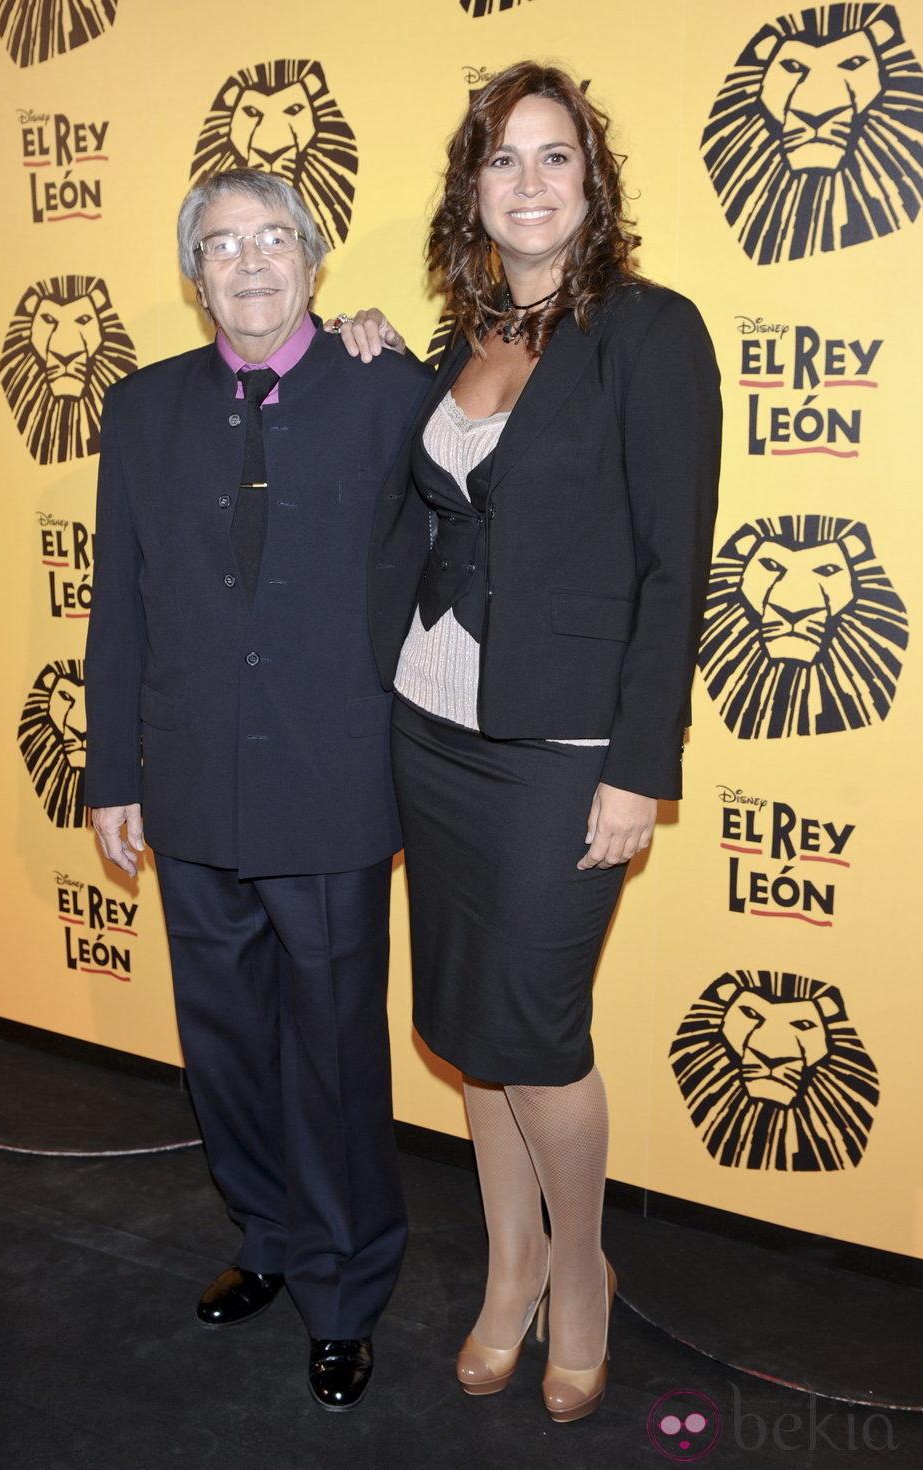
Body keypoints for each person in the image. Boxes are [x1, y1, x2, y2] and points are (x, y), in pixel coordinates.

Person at [362, 62, 722, 1423]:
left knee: (539, 1033)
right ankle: (507, 1266)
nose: (529, 182)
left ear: (592, 179)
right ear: (474, 187)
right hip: (430, 729)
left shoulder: (648, 332)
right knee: (468, 1030)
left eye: (554, 156)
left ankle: (582, 1270)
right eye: (503, 160)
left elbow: (669, 569)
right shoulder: (461, 341)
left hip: (565, 746)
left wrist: (640, 764)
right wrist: (367, 353)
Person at [84, 167, 430, 1412]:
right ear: (194, 274)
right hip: (183, 782)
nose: (248, 263)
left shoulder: (390, 387)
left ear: (314, 258)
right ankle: (269, 1240)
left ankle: (344, 1290)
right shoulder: (139, 407)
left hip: (333, 783)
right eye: (221, 245)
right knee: (223, 1045)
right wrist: (111, 771)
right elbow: (116, 600)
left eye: (272, 237)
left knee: (334, 1055)